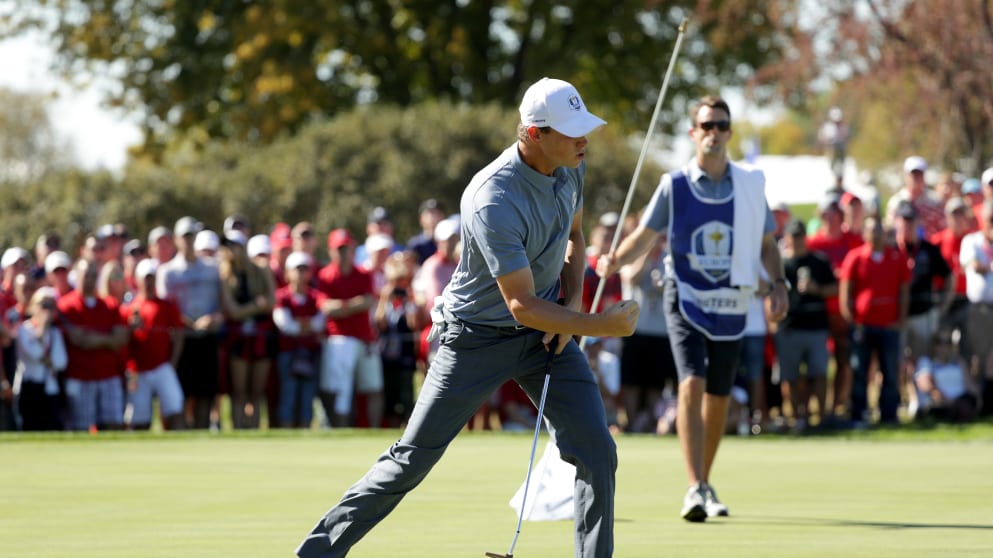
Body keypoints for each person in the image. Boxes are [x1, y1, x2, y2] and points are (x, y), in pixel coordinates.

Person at [297, 77, 639, 558]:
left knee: (597, 450)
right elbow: (519, 303)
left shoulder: (571, 166)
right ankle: (315, 554)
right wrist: (601, 325)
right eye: (571, 130)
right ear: (533, 133)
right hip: (475, 339)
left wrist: (575, 306)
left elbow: (575, 237)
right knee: (410, 462)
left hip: (546, 338)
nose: (584, 139)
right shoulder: (492, 196)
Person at [598, 95, 787, 522]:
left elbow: (766, 246)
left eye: (721, 125)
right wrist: (616, 260)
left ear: (730, 133)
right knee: (691, 383)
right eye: (706, 126)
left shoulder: (750, 185)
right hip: (684, 296)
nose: (714, 133)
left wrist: (778, 284)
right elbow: (645, 236)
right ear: (693, 133)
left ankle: (705, 480)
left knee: (719, 396)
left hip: (732, 301)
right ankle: (693, 486)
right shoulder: (675, 185)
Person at [839, 216, 911, 426]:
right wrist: (850, 318)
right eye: (872, 231)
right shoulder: (855, 257)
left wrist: (901, 319)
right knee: (859, 371)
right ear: (865, 234)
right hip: (863, 326)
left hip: (889, 326)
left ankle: (888, 415)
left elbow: (904, 290)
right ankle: (859, 413)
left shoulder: (896, 257)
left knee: (889, 371)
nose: (877, 235)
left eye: (880, 230)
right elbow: (846, 290)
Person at [158, 216, 227, 429]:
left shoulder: (213, 267)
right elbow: (165, 307)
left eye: (192, 236)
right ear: (177, 239)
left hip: (207, 338)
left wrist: (214, 318)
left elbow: (223, 303)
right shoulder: (168, 271)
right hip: (182, 341)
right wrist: (185, 322)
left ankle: (203, 434)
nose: (189, 240)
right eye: (185, 236)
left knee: (206, 395)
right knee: (183, 395)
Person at [316, 228, 381, 428]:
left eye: (347, 248)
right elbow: (326, 307)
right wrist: (353, 305)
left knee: (373, 388)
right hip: (338, 340)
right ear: (331, 251)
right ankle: (339, 428)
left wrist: (341, 306)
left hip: (364, 339)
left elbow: (369, 301)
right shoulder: (325, 275)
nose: (343, 253)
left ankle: (374, 431)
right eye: (339, 249)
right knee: (339, 390)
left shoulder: (363, 273)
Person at [776, 219, 837, 431]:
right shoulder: (780, 265)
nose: (797, 240)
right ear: (786, 238)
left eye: (800, 236)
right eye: (793, 236)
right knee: (789, 377)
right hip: (789, 328)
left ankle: (820, 419)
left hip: (816, 327)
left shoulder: (818, 261)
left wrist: (816, 289)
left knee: (819, 374)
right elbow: (770, 295)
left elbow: (835, 287)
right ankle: (796, 421)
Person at [58, 258, 130, 431]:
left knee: (113, 425)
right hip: (80, 376)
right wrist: (107, 339)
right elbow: (79, 340)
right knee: (82, 428)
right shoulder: (66, 305)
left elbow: (121, 339)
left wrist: (93, 339)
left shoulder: (109, 304)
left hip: (108, 375)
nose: (89, 279)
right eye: (86, 275)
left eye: (92, 275)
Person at [617, 230, 677, 433]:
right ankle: (632, 423)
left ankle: (651, 424)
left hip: (661, 332)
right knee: (632, 382)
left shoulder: (670, 254)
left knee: (655, 385)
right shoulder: (631, 252)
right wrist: (647, 251)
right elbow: (631, 278)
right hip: (634, 329)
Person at [219, 230, 275, 429]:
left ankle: (254, 429)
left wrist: (251, 308)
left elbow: (271, 302)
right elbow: (232, 312)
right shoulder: (225, 275)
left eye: (234, 245)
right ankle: (239, 429)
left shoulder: (261, 269)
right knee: (239, 391)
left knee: (256, 391)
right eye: (227, 246)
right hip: (238, 337)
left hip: (260, 337)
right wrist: (255, 306)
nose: (231, 250)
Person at [120, 258, 186, 430]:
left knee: (175, 410)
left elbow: (179, 335)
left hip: (162, 367)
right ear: (137, 280)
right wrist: (130, 329)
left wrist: (173, 363)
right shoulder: (129, 308)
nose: (148, 282)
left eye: (151, 278)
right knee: (139, 420)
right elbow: (122, 342)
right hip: (138, 371)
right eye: (145, 278)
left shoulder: (166, 306)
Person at [273, 251, 326, 428]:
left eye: (305, 269)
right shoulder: (281, 296)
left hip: (311, 354)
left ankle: (305, 432)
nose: (301, 273)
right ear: (288, 272)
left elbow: (320, 323)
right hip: (288, 353)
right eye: (297, 269)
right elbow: (285, 325)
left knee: (307, 396)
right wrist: (307, 324)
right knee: (288, 395)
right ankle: (287, 433)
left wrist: (299, 324)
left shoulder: (316, 296)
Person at [14, 287, 67, 431]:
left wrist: (46, 358)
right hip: (29, 388)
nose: (47, 311)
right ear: (33, 306)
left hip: (50, 389)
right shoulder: (24, 330)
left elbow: (61, 363)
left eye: (50, 306)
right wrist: (41, 330)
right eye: (43, 305)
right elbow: (35, 354)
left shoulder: (55, 333)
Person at [958, 199, 993, 416]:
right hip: (978, 310)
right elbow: (972, 265)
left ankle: (989, 403)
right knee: (978, 359)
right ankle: (979, 403)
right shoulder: (972, 241)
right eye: (991, 219)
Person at [885, 156, 945, 238]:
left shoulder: (935, 201)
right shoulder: (896, 202)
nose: (916, 178)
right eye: (913, 175)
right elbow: (890, 228)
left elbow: (942, 229)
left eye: (919, 174)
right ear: (906, 176)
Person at [406, 198, 445, 264]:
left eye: (437, 213)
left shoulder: (448, 242)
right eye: (429, 214)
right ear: (421, 219)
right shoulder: (415, 244)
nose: (433, 218)